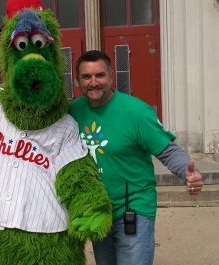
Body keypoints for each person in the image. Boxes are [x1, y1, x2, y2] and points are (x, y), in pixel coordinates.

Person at [69, 50, 203, 265]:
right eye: (86, 77)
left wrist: (189, 174)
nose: (93, 82)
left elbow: (167, 150)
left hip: (133, 209)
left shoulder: (136, 112)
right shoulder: (72, 112)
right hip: (96, 210)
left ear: (111, 77)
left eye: (100, 75)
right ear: (78, 81)